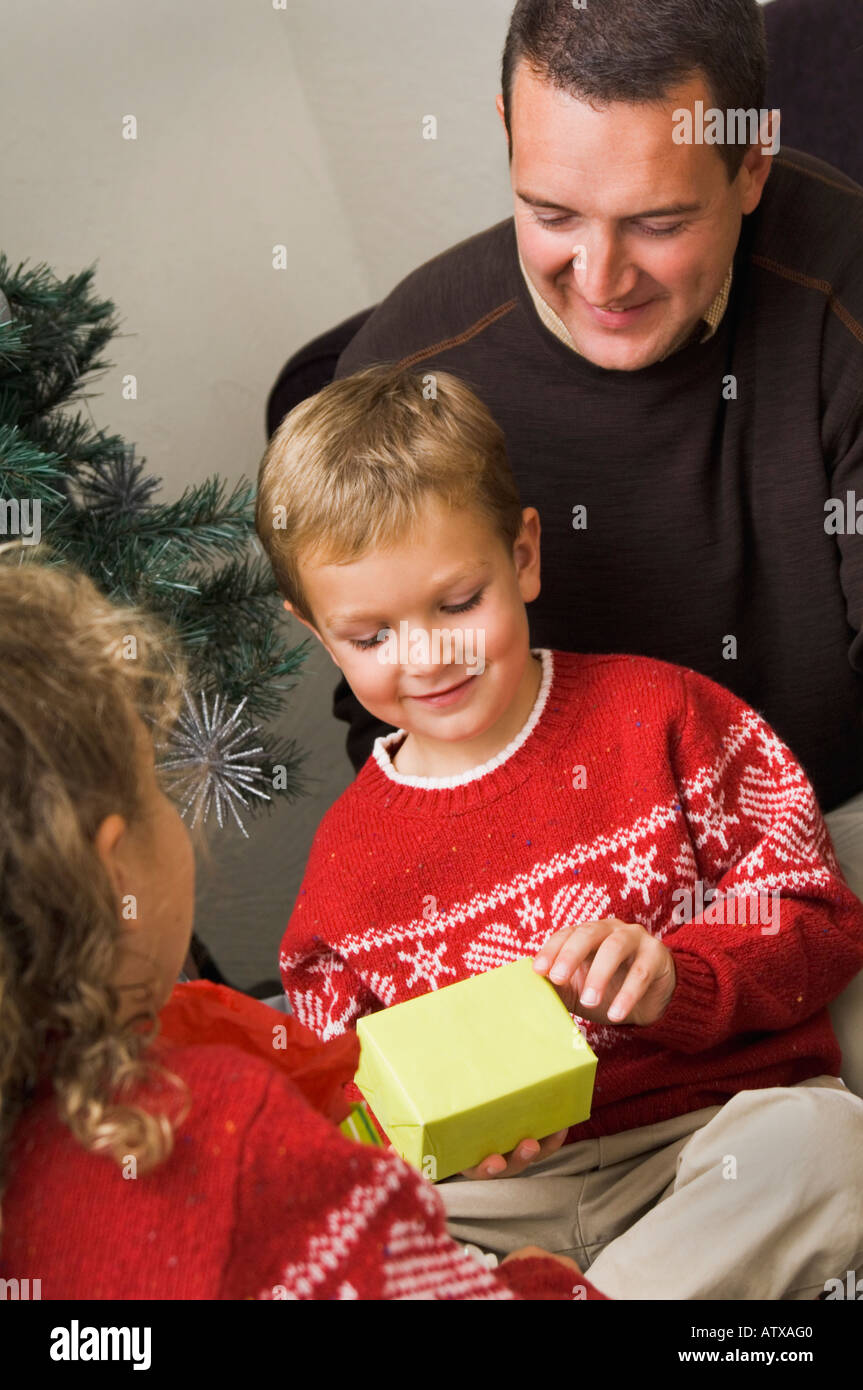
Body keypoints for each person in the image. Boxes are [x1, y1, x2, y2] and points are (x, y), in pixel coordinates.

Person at [256, 362, 863, 1300]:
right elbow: (345, 1092)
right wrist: (435, 1146)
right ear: (317, 632)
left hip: (701, 1140)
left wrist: (681, 979)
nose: (427, 656)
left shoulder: (661, 715)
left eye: (457, 603)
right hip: (501, 1204)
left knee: (827, 1144)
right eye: (371, 637)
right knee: (322, 1244)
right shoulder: (345, 863)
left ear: (524, 554)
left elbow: (818, 919)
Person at [325, 0, 863, 844]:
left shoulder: (845, 302)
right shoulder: (405, 376)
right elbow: (401, 745)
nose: (601, 281)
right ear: (507, 130)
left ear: (754, 160)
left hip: (838, 825)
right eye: (551, 215)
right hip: (558, 873)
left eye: (658, 224)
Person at [0, 554, 606, 1301]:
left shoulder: (187, 1044)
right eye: (153, 780)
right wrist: (547, 1282)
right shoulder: (222, 1127)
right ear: (108, 875)